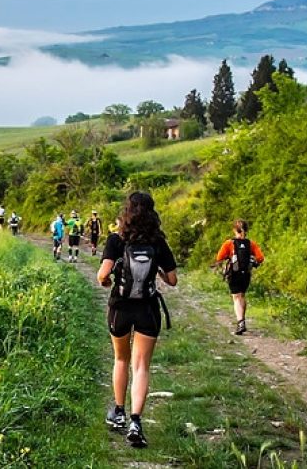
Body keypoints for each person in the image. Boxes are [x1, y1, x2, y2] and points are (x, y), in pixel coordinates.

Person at [96, 191, 178, 448]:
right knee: (141, 366)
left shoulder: (116, 239)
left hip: (120, 307)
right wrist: (160, 276)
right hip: (147, 309)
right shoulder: (158, 242)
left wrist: (108, 280)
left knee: (121, 358)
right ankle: (135, 421)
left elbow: (102, 275)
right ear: (152, 212)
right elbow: (173, 279)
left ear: (127, 211)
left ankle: (118, 411)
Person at [214, 220, 265, 335]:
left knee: (236, 297)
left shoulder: (229, 243)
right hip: (246, 274)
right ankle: (242, 319)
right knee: (242, 295)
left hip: (234, 273)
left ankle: (240, 321)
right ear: (247, 230)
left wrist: (229, 257)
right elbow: (260, 258)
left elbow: (219, 257)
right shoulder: (251, 244)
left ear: (234, 230)